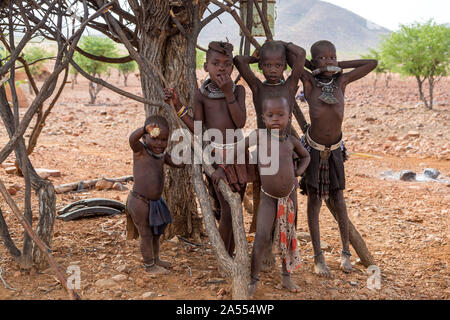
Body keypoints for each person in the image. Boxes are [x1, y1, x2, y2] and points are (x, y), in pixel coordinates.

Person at [164, 41, 254, 256]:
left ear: (232, 68)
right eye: (216, 63)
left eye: (227, 64)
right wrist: (177, 105)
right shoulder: (201, 95)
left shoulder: (238, 90)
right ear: (206, 67)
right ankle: (225, 258)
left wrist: (228, 93)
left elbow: (240, 122)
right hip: (215, 155)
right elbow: (197, 128)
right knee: (226, 209)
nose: (221, 68)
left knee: (235, 208)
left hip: (238, 153)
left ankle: (231, 254)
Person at [299, 40, 377, 276]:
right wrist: (314, 68)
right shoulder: (310, 82)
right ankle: (318, 258)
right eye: (323, 58)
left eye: (333, 57)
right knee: (314, 202)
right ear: (314, 62)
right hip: (313, 148)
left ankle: (345, 254)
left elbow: (371, 63)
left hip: (335, 149)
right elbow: (295, 60)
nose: (329, 61)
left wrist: (338, 66)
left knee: (339, 201)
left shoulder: (342, 81)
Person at [234, 40, 307, 269]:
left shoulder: (290, 86)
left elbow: (302, 53)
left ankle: (282, 253)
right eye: (267, 65)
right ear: (260, 68)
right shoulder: (258, 88)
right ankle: (264, 248)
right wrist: (257, 56)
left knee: (286, 207)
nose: (273, 70)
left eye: (278, 65)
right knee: (262, 195)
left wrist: (284, 44)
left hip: (286, 148)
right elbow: (238, 61)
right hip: (264, 146)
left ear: (285, 65)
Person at [231, 94, 310, 297]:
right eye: (270, 115)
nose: (276, 119)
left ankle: (286, 276)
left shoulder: (292, 141)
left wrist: (298, 172)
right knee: (262, 236)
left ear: (289, 116)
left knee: (288, 235)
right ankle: (253, 279)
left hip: (289, 197)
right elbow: (239, 148)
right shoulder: (259, 136)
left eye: (280, 115)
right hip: (267, 197)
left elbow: (306, 156)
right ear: (263, 118)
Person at [126, 115, 184, 274]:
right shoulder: (140, 151)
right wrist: (144, 129)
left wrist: (188, 151)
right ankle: (149, 265)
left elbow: (177, 163)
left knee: (156, 233)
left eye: (164, 140)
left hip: (155, 203)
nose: (160, 143)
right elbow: (132, 139)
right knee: (145, 234)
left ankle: (156, 259)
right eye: (155, 139)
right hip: (139, 201)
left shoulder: (162, 155)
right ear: (145, 138)